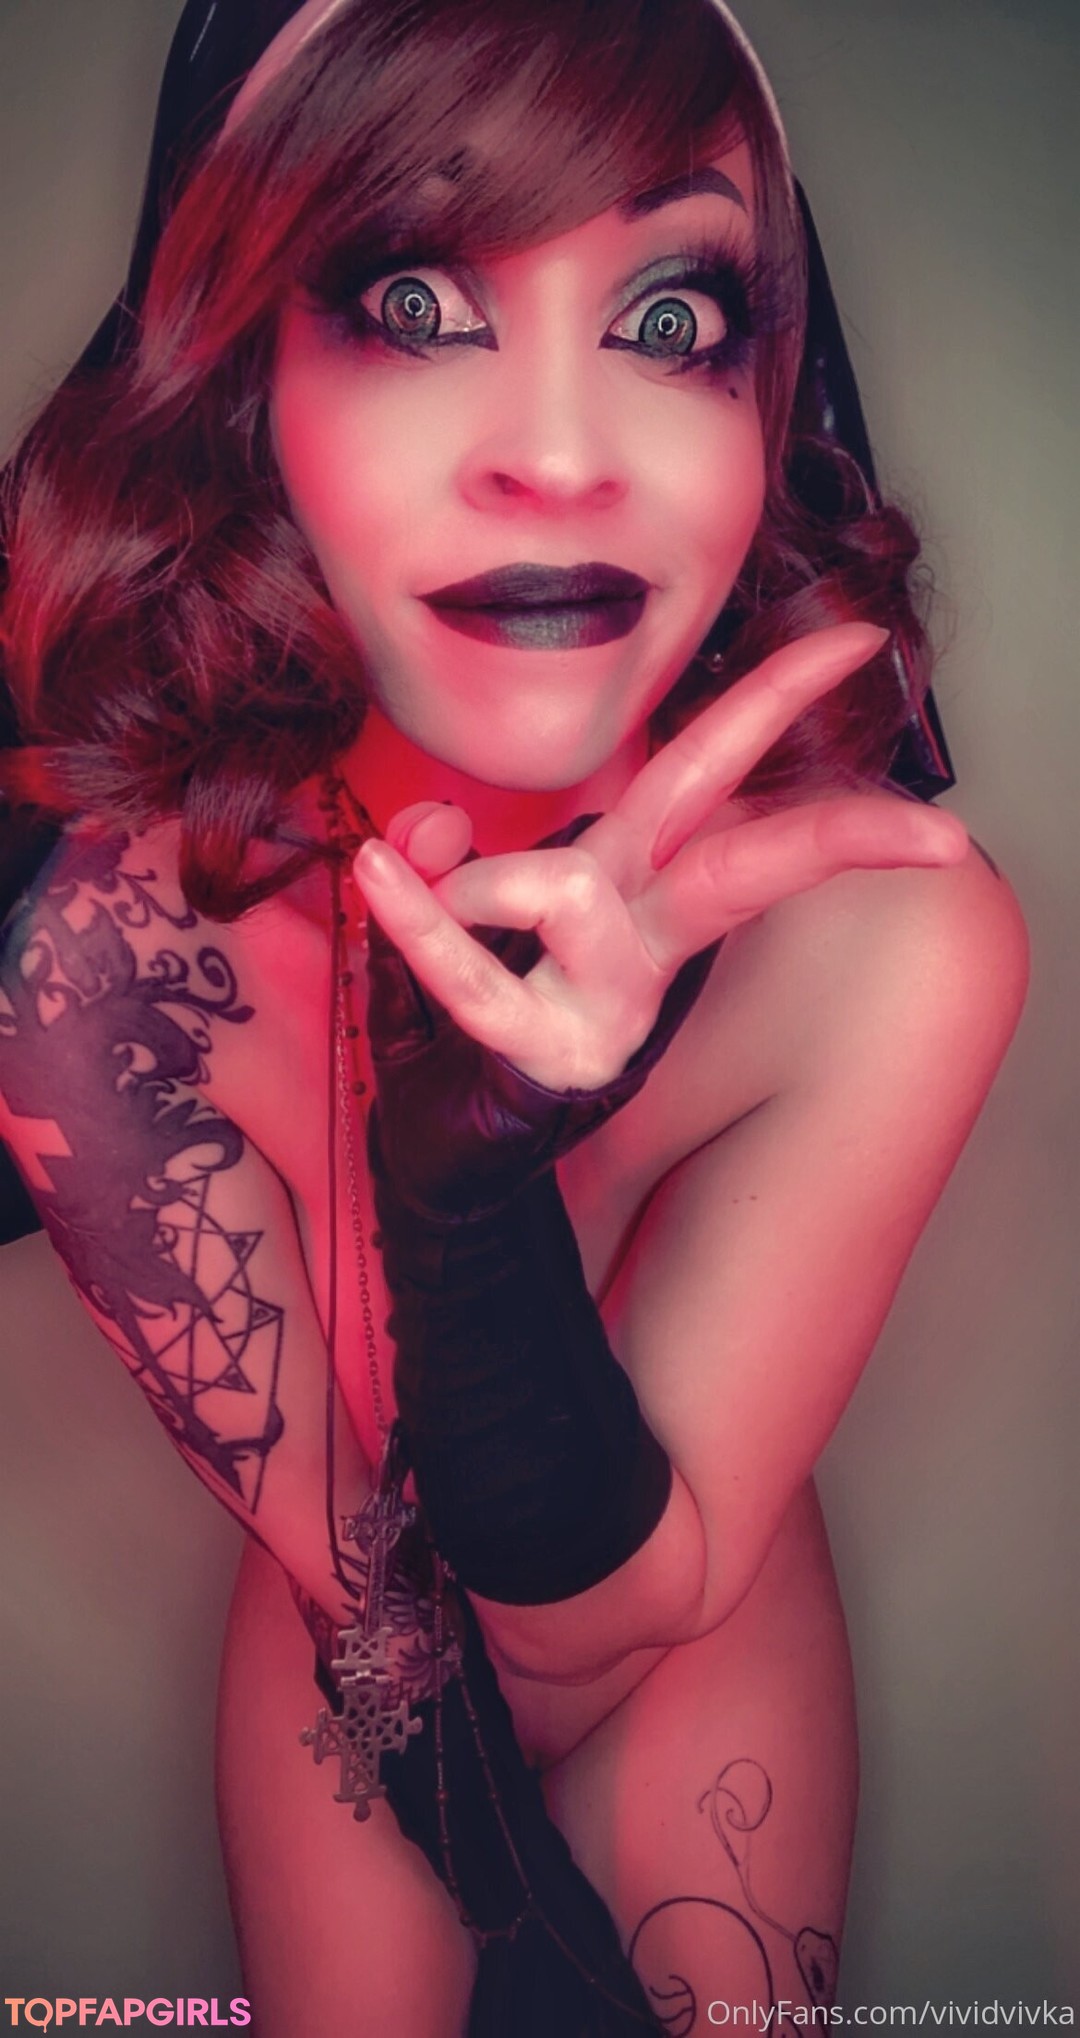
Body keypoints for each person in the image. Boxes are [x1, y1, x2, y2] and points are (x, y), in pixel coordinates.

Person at [0, 0, 1029, 2031]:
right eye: (411, 299)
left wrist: (463, 1202)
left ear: (773, 395)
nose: (561, 455)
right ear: (241, 383)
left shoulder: (889, 940)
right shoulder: (107, 983)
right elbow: (386, 1602)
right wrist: (523, 1917)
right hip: (361, 1630)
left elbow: (609, 1616)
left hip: (687, 1603)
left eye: (672, 319)